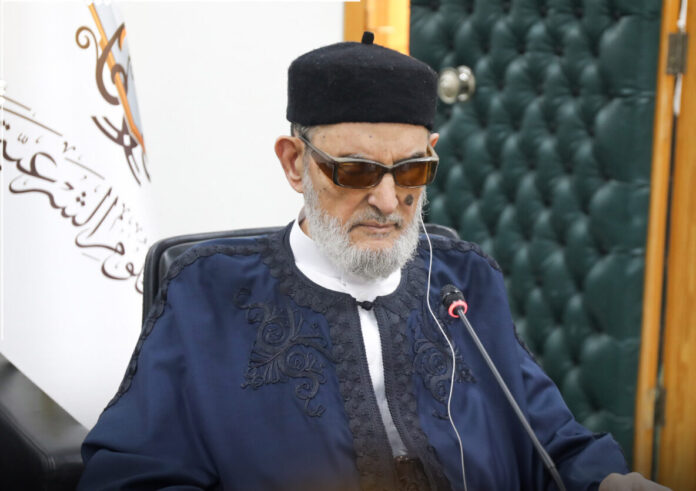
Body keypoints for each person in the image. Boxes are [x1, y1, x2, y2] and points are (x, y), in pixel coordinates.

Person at [78, 32, 669, 491]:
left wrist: (610, 482)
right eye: (356, 171)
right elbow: (131, 475)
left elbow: (556, 444)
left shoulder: (466, 281)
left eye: (411, 172)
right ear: (295, 163)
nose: (387, 201)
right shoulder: (205, 294)